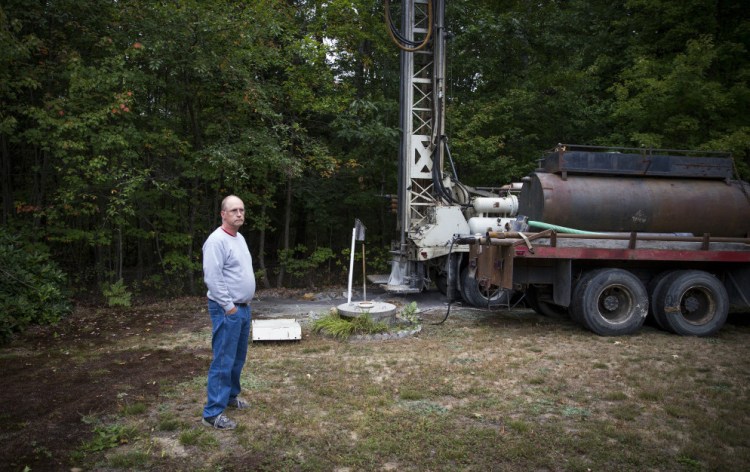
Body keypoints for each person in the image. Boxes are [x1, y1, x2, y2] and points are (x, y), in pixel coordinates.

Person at [201, 195, 256, 430]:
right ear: (223, 214)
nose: (239, 214)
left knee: (237, 358)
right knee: (223, 360)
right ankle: (212, 413)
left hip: (242, 308)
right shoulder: (216, 241)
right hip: (227, 309)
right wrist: (230, 307)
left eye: (242, 210)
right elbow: (213, 279)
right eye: (234, 210)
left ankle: (230, 397)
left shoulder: (239, 238)